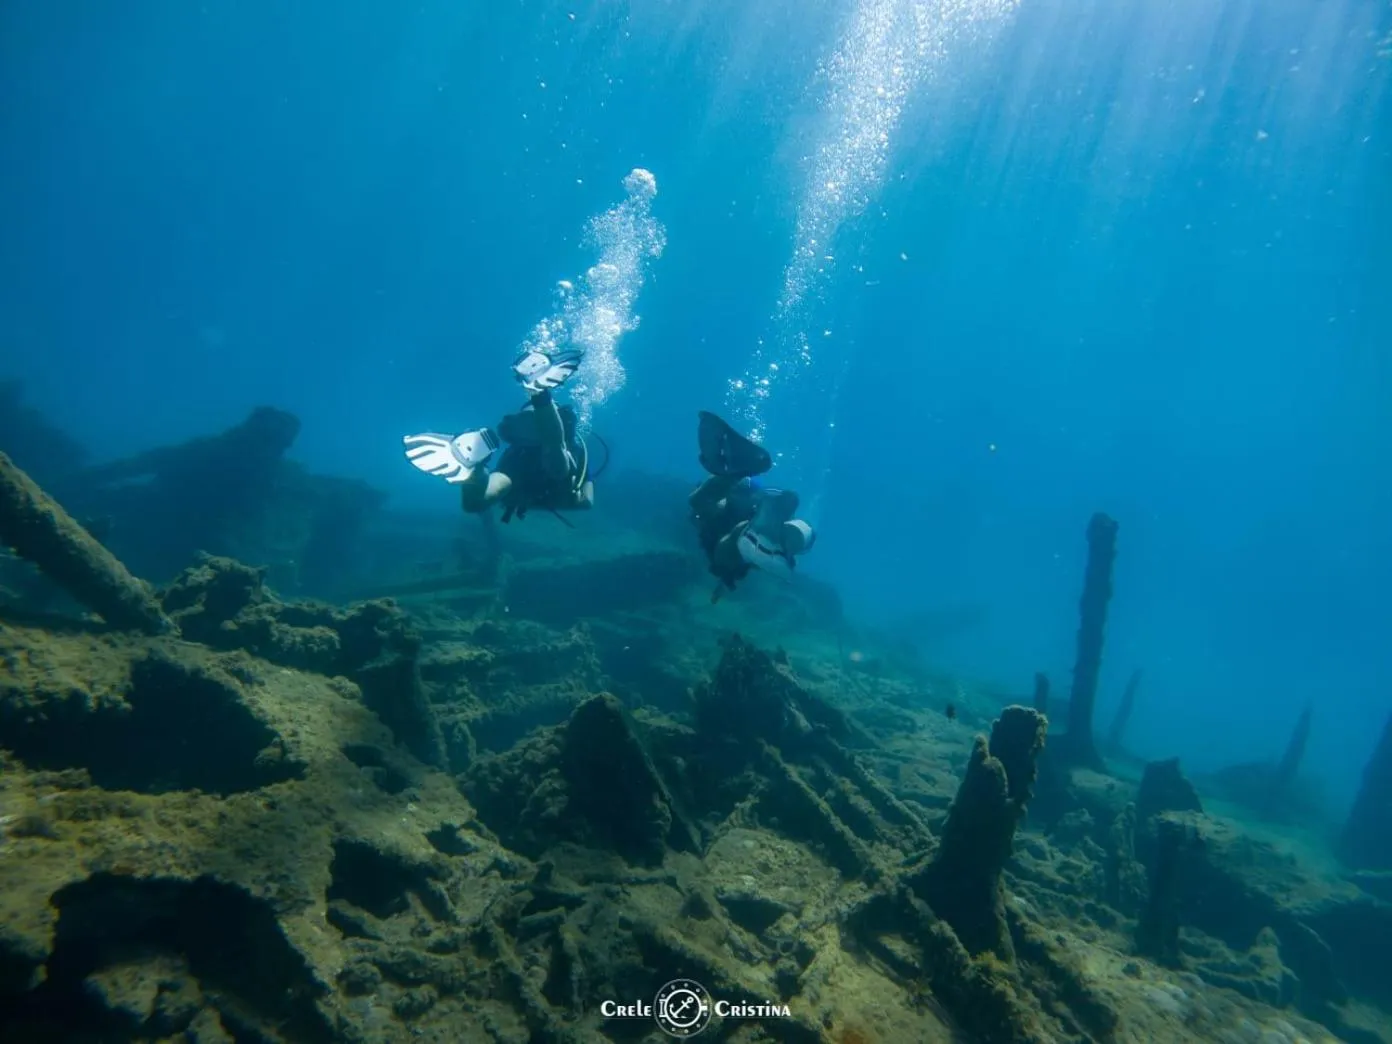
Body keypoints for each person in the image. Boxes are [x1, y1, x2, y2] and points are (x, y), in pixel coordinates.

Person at [403, 345, 595, 522]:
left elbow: (474, 504)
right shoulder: (570, 451)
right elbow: (586, 500)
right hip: (553, 481)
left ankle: (474, 470)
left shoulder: (516, 457)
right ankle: (540, 395)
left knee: (475, 504)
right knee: (557, 463)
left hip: (520, 477)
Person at [688, 411, 816, 602]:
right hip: (739, 514)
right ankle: (736, 474)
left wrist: (724, 583)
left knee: (703, 505)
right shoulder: (760, 549)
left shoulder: (768, 553)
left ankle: (736, 474)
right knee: (703, 506)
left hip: (740, 512)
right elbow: (732, 544)